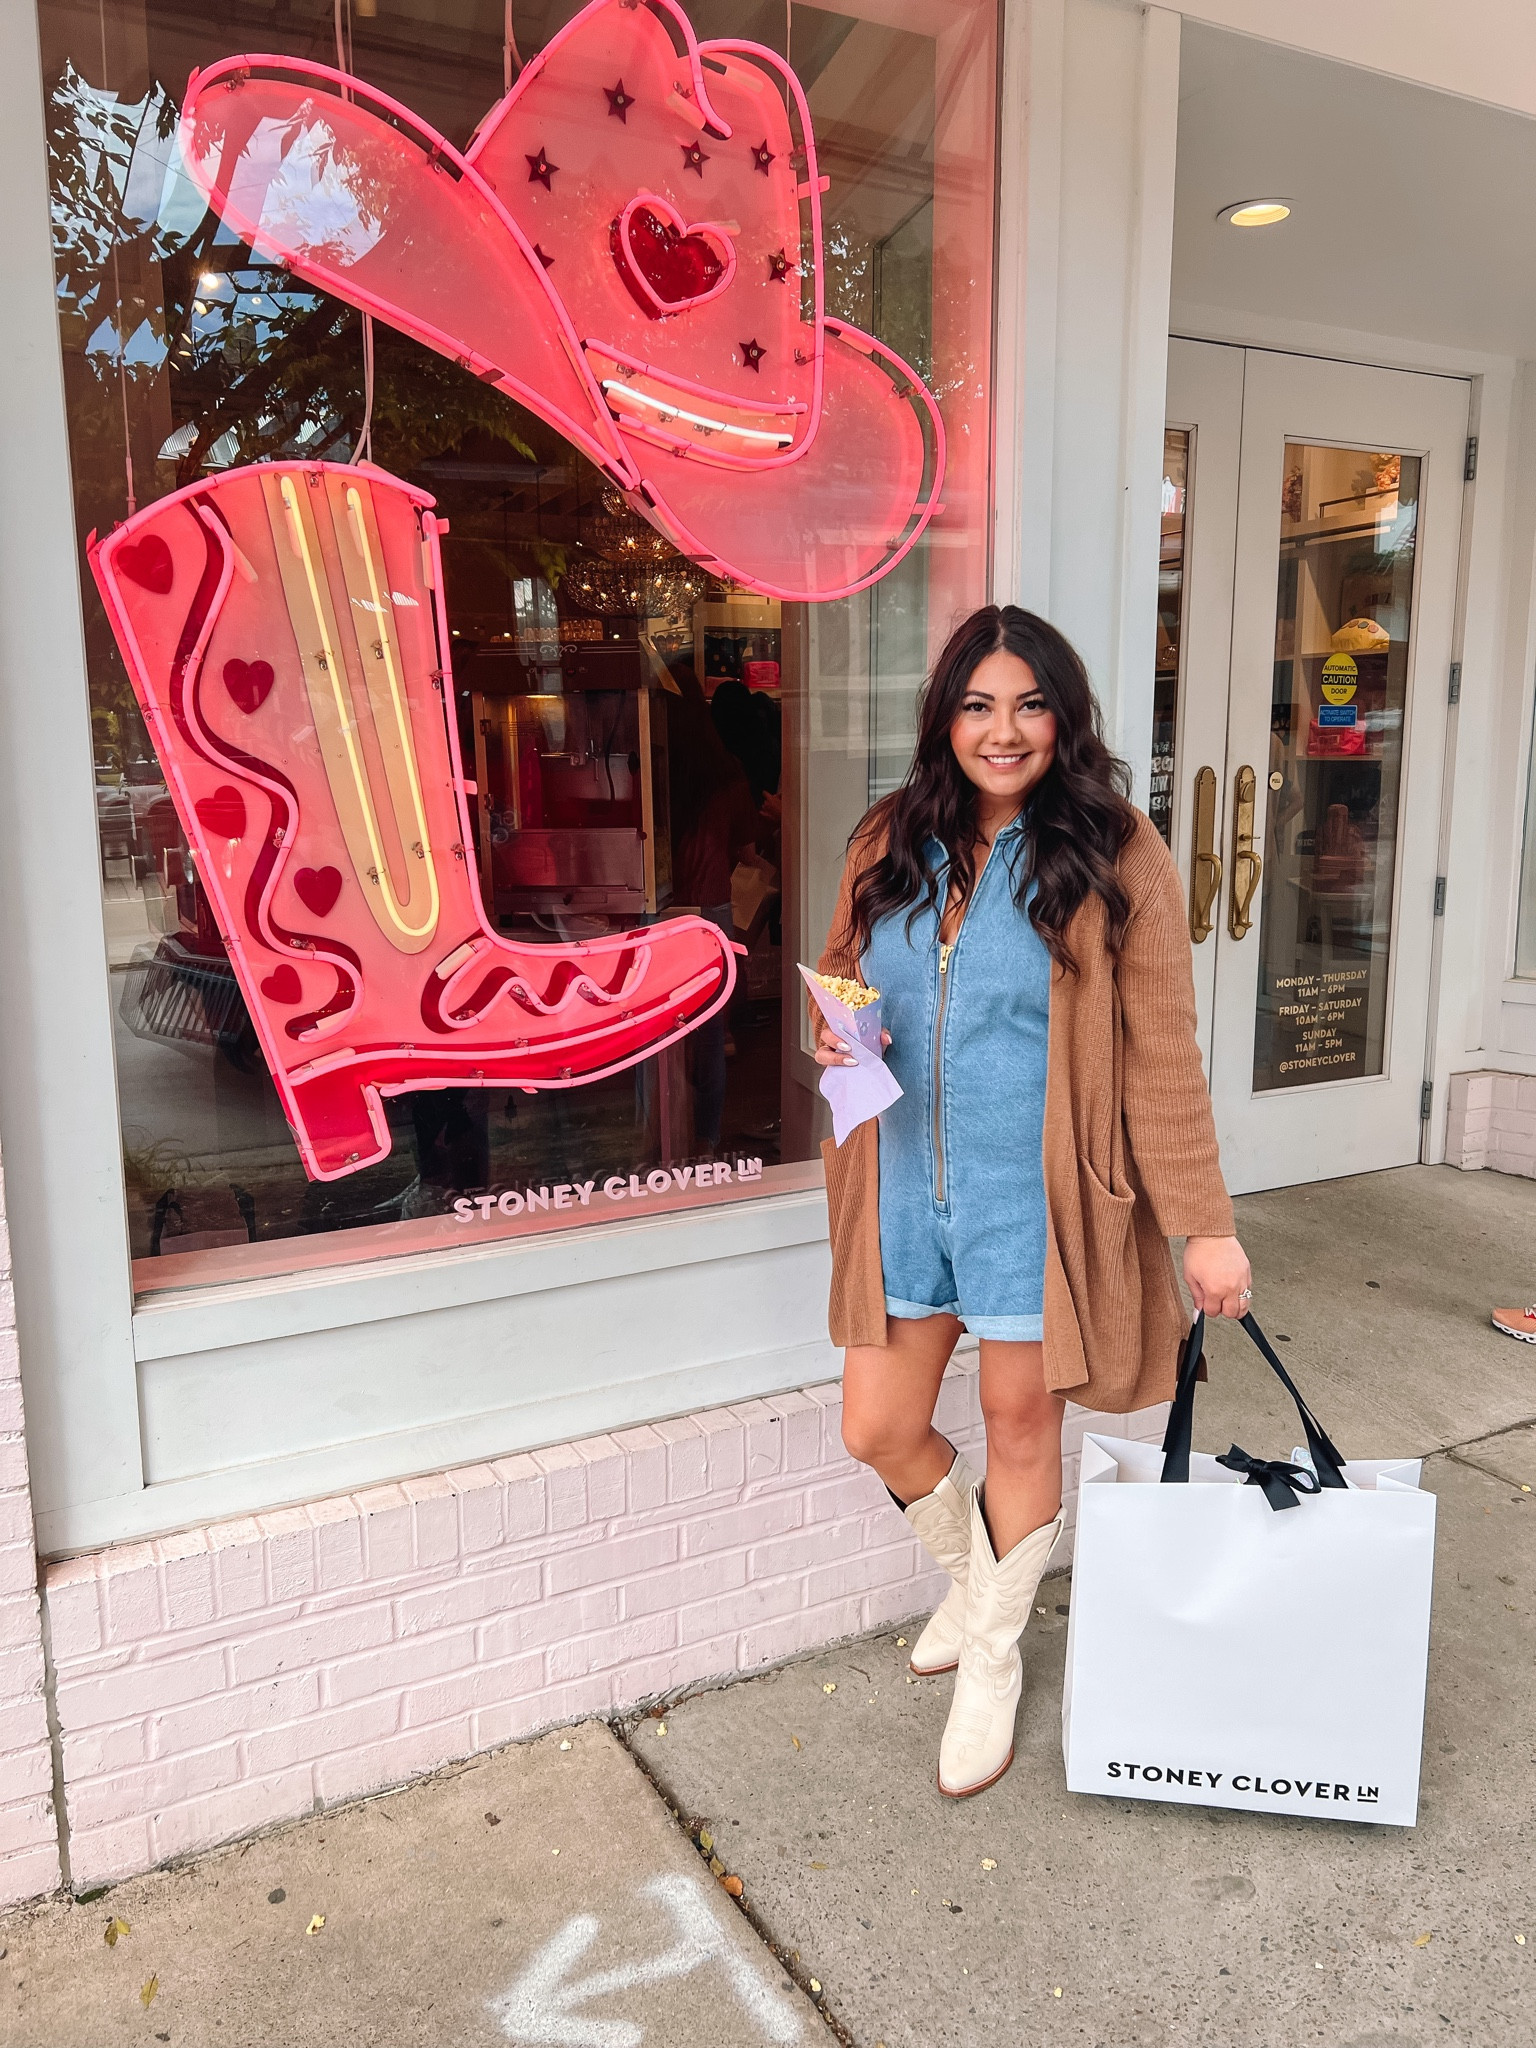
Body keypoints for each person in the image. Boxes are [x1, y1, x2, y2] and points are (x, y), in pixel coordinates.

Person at [813, 604, 1251, 1799]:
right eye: (977, 705)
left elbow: (1162, 1053)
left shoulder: (1116, 850)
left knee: (1018, 1423)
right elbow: (845, 979)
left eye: (1029, 704)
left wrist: (1203, 1222)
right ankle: (979, 1583)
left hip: (1037, 1202)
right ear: (944, 717)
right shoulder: (888, 838)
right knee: (878, 1426)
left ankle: (993, 1656)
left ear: (1064, 715)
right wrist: (836, 1031)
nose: (1003, 731)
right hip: (903, 1191)